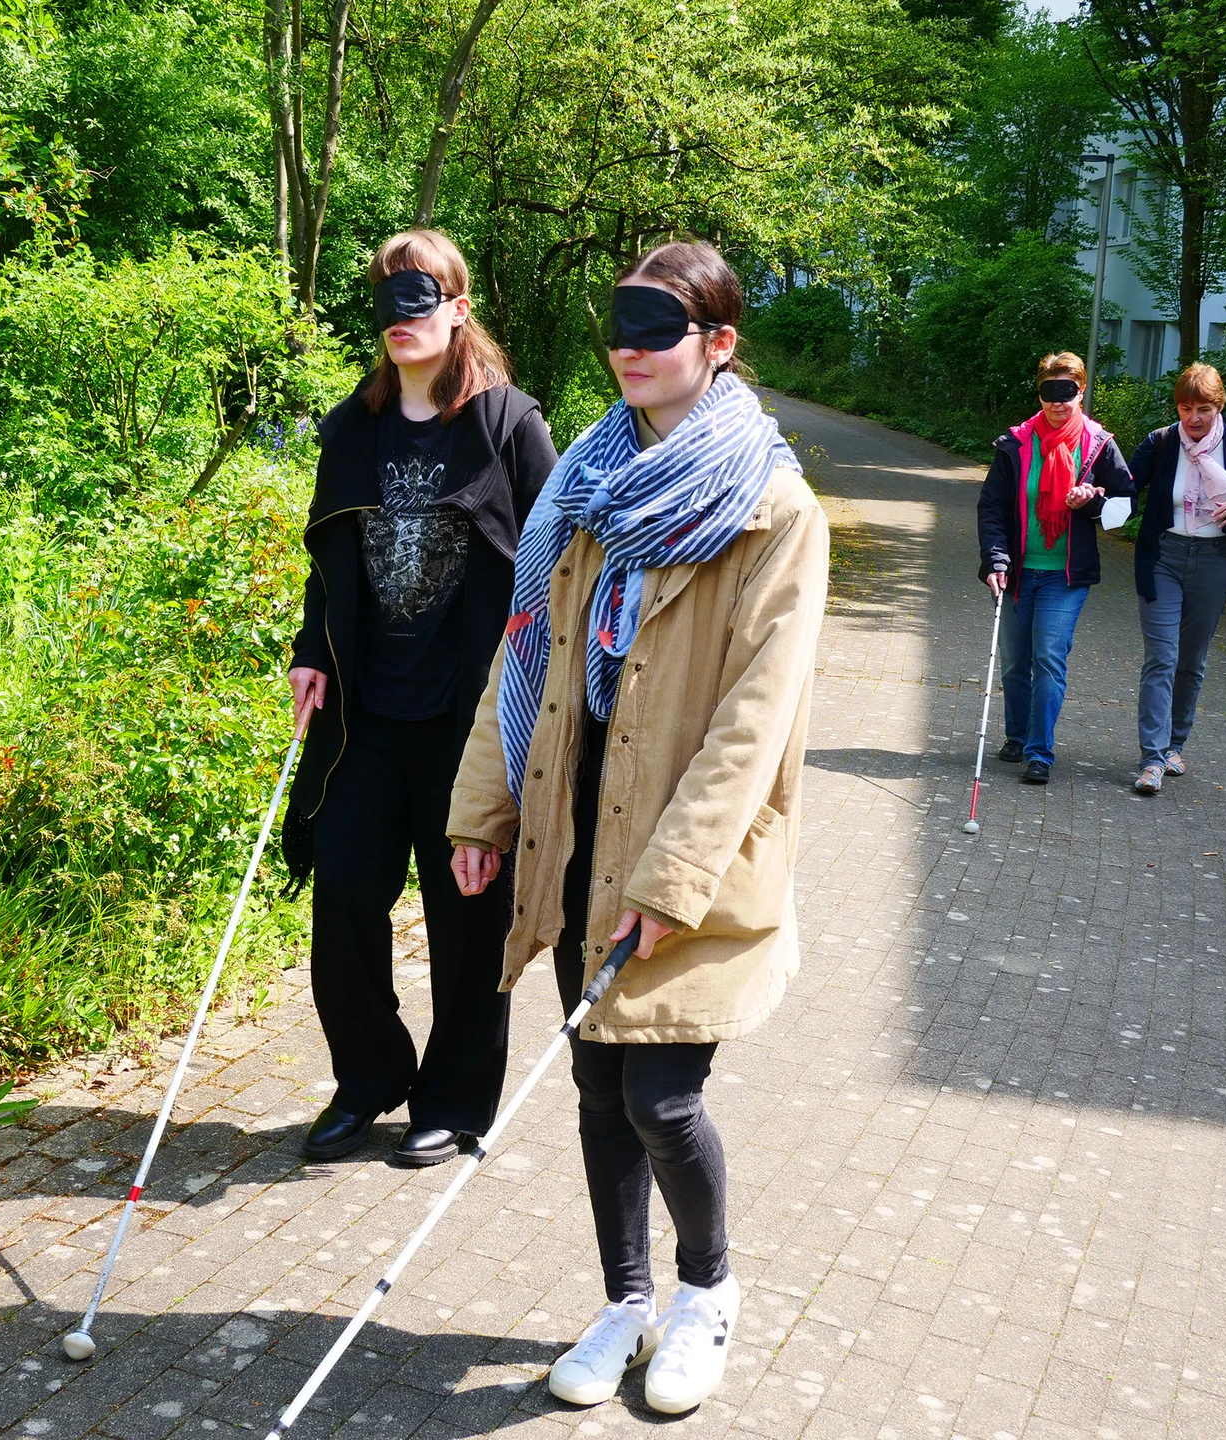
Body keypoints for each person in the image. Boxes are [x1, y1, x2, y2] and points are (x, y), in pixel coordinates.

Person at [447, 242, 829, 1415]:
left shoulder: (774, 509)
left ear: (718, 345)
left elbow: (754, 721)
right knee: (598, 1091)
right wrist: (486, 808)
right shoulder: (588, 489)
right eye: (621, 322)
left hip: (687, 861)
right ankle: (624, 1300)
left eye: (659, 326)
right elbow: (535, 658)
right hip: (578, 835)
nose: (630, 345)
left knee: (663, 1099)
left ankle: (707, 1296)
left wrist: (673, 879)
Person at [281, 230, 558, 1167]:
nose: (403, 318)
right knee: (345, 905)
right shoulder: (348, 429)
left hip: (468, 723)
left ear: (457, 307)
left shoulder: (509, 425)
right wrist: (311, 650)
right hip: (364, 718)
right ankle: (368, 1080)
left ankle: (454, 1100)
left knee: (468, 917)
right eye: (389, 299)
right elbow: (327, 562)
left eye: (422, 296)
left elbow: (553, 569)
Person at [975, 352, 1134, 784]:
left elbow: (1125, 505)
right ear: (1040, 393)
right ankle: (1017, 734)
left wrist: (1094, 502)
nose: (1059, 402)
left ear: (1081, 391)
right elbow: (992, 507)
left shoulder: (1099, 444)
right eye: (1050, 392)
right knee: (1014, 660)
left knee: (1048, 658)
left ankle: (1039, 752)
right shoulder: (1017, 443)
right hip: (1020, 570)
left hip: (1066, 576)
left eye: (1068, 392)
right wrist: (995, 558)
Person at [1125, 362, 1226, 794]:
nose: (1193, 418)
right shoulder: (1161, 443)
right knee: (1162, 658)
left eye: (1203, 408)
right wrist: (1098, 495)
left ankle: (1174, 746)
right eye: (1185, 408)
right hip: (1163, 557)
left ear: (1218, 405)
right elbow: (1126, 487)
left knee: (1192, 661)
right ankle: (1151, 760)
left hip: (1216, 559)